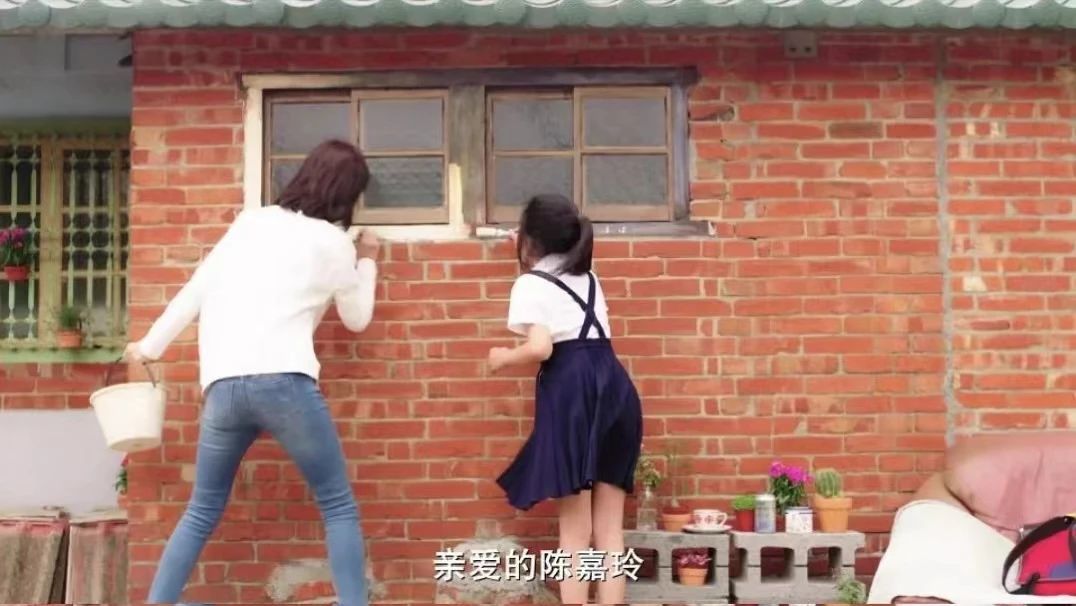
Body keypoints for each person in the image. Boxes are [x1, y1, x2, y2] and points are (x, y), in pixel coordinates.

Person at [124, 140, 378, 606]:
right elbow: (357, 318)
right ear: (347, 195)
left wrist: (148, 347)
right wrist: (368, 261)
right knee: (337, 505)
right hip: (286, 385)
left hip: (224, 388)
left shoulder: (252, 222)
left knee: (202, 509)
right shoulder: (335, 243)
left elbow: (196, 289)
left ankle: (157, 603)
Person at [488, 194, 644, 604]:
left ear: (531, 239)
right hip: (615, 389)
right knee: (609, 530)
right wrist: (528, 250)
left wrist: (503, 358)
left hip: (573, 393)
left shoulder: (530, 284)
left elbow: (540, 347)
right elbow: (554, 286)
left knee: (574, 533)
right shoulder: (589, 278)